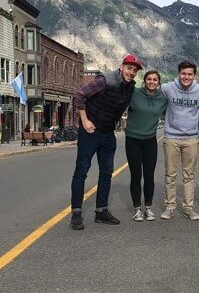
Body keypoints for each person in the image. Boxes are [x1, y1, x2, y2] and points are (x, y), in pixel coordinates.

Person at [70, 54, 142, 230]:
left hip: (108, 134)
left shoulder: (130, 87)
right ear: (121, 67)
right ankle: (76, 214)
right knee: (81, 171)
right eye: (129, 68)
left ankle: (101, 211)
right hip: (90, 132)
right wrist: (85, 121)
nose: (132, 72)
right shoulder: (104, 80)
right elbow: (79, 96)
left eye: (135, 70)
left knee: (106, 172)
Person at [160, 60, 199, 221]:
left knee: (189, 175)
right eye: (183, 73)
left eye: (189, 74)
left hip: (191, 138)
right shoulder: (168, 88)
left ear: (194, 76)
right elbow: (151, 90)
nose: (186, 77)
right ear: (178, 74)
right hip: (171, 137)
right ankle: (170, 207)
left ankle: (189, 208)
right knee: (170, 175)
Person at [125, 69, 168, 222]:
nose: (151, 82)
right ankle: (137, 209)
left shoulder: (163, 99)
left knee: (149, 175)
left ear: (159, 82)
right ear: (144, 81)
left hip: (150, 140)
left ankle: (148, 208)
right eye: (148, 79)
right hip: (132, 139)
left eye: (155, 80)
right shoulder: (134, 93)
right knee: (136, 175)